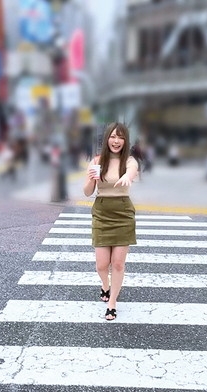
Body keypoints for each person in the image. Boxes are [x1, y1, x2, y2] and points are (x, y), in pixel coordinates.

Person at [83, 123, 139, 321]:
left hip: (123, 212)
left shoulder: (129, 161)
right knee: (101, 265)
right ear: (107, 138)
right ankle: (105, 285)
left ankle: (112, 303)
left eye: (121, 137)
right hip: (101, 211)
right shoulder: (97, 161)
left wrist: (127, 177)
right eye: (113, 136)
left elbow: (132, 171)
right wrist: (92, 179)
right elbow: (87, 192)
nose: (116, 141)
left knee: (117, 264)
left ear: (126, 141)